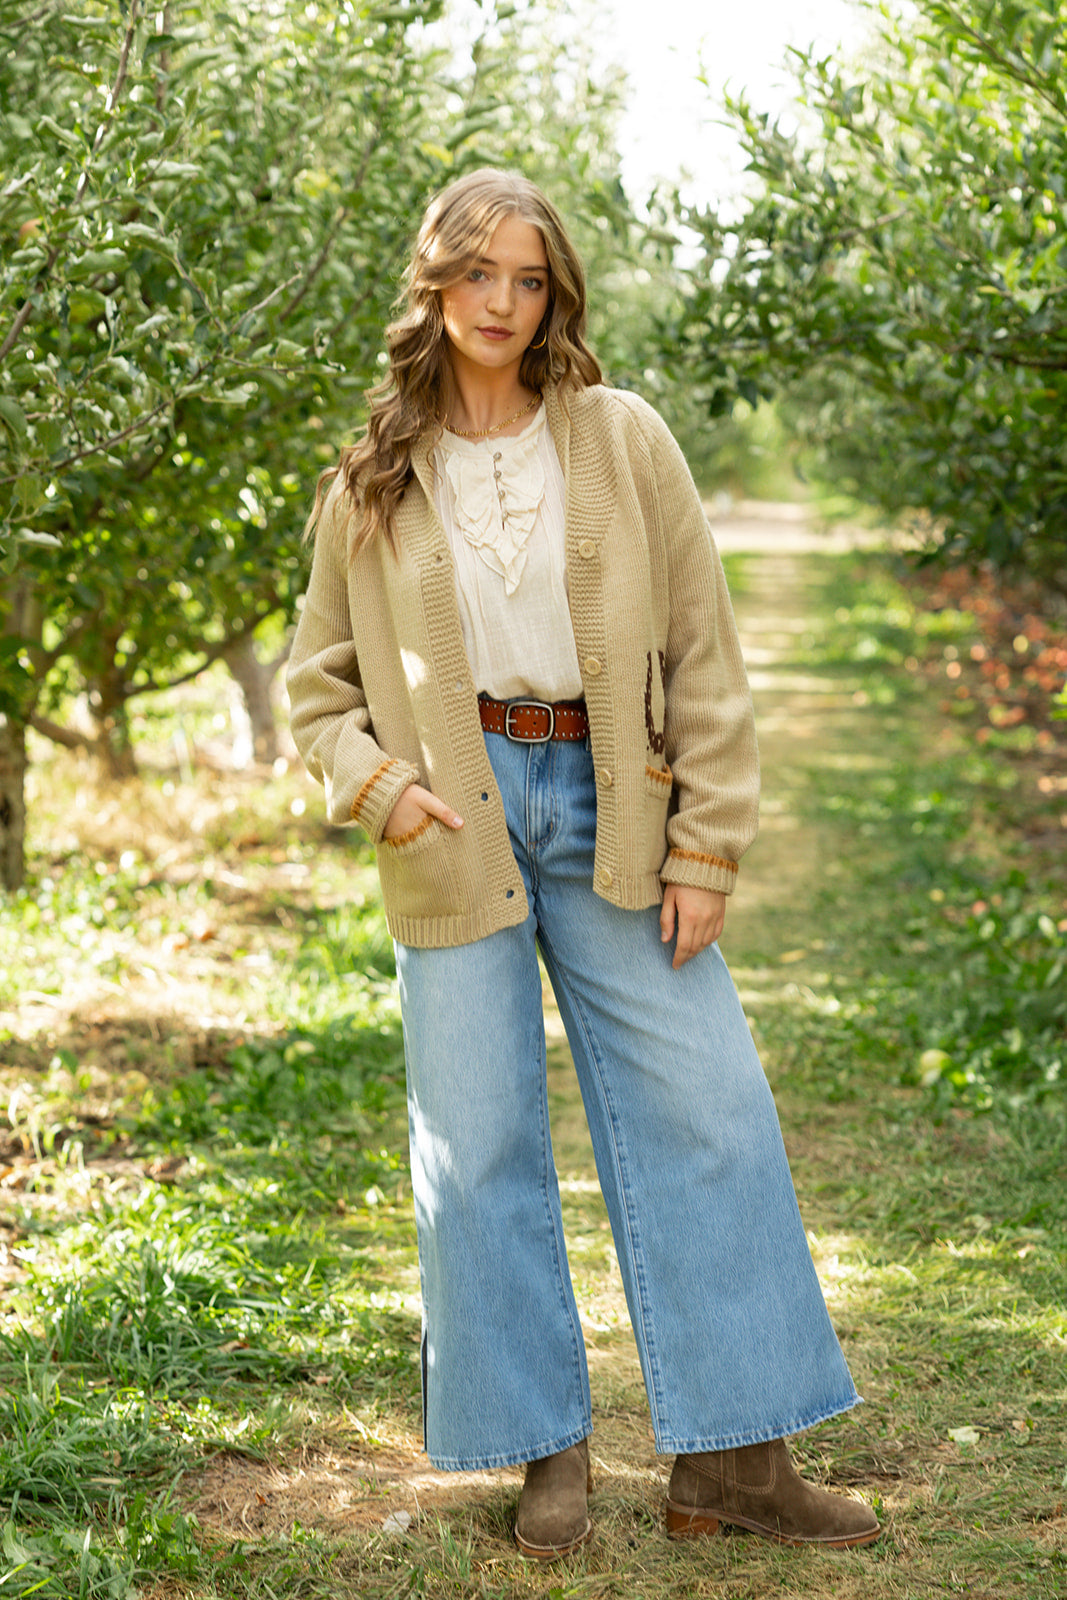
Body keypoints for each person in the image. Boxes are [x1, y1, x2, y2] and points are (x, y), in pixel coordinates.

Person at [286, 167, 881, 1561]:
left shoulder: (620, 439)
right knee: (478, 1138)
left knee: (711, 1110)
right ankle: (545, 1455)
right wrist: (382, 790)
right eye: (478, 272)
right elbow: (315, 689)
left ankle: (736, 1460)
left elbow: (703, 651)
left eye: (530, 277)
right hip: (458, 819)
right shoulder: (370, 481)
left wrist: (709, 843)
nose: (503, 302)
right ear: (433, 281)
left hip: (617, 803)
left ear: (557, 294)